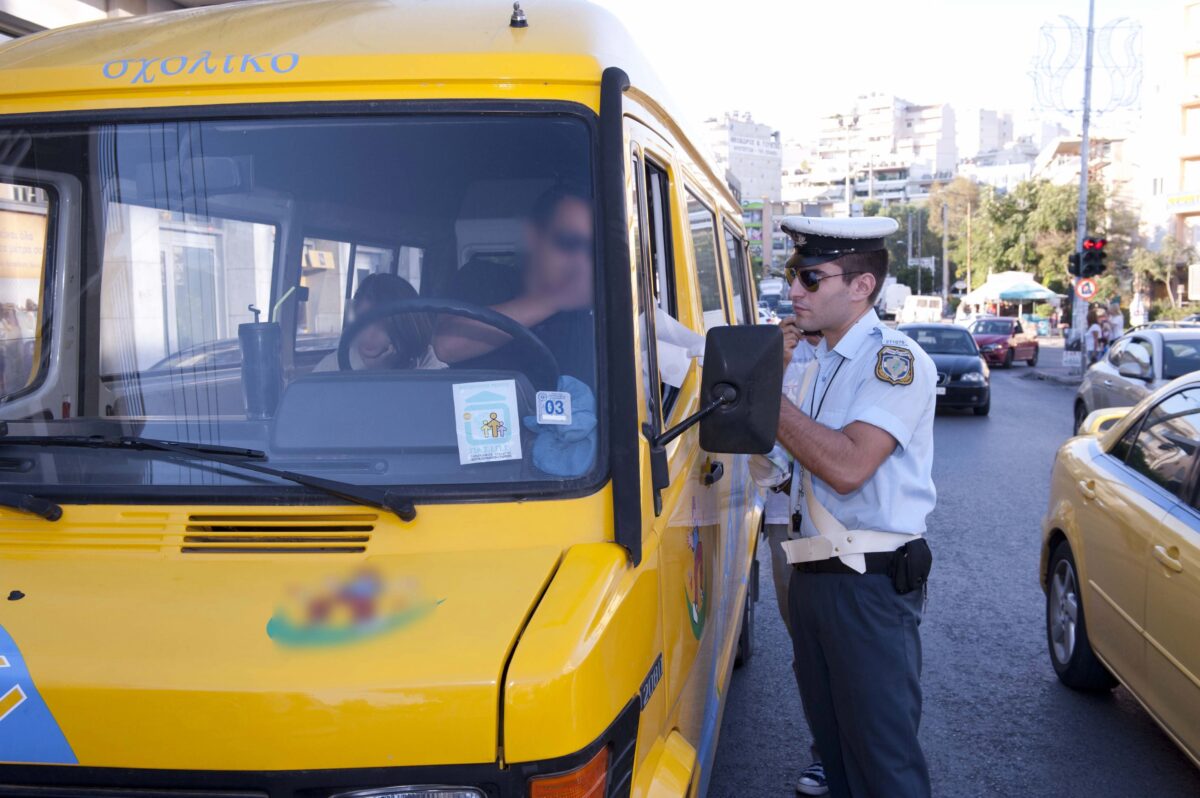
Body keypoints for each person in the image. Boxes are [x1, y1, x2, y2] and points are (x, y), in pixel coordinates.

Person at [772, 215, 937, 798]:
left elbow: (847, 466)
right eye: (793, 275)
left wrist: (764, 396)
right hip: (815, 577)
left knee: (884, 766)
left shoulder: (894, 360)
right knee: (839, 760)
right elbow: (776, 468)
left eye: (810, 278)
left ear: (862, 286)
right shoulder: (818, 365)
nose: (794, 290)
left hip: (867, 584)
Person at [751, 321, 828, 796]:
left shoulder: (864, 354)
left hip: (850, 525)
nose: (800, 293)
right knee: (808, 647)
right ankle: (827, 754)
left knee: (854, 648)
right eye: (796, 286)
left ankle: (862, 754)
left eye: (811, 285)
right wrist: (771, 368)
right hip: (786, 520)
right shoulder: (778, 352)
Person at [433, 184, 595, 384]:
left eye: (591, 249)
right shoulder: (481, 277)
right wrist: (556, 299)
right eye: (568, 241)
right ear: (534, 237)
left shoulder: (590, 311)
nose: (581, 260)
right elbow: (447, 346)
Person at [314, 273, 445, 372]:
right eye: (361, 321)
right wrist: (373, 371)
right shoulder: (334, 364)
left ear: (404, 325)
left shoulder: (427, 360)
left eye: (380, 324)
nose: (367, 334)